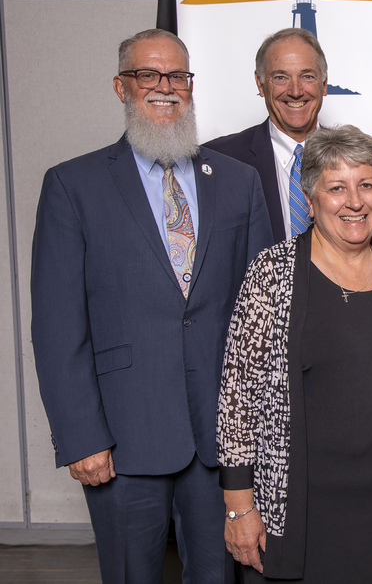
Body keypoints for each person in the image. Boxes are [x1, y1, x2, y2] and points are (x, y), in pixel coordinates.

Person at [30, 28, 273, 583]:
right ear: (121, 86)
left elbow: (262, 313)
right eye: (148, 75)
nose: (165, 88)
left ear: (190, 86)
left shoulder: (237, 183)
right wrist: (81, 436)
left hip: (222, 437)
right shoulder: (73, 185)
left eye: (177, 77)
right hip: (121, 436)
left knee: (218, 575)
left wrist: (259, 425)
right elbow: (57, 325)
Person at [217, 124, 372, 582]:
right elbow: (238, 398)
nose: (354, 201)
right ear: (311, 197)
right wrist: (239, 507)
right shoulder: (272, 272)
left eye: (366, 185)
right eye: (337, 188)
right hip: (304, 506)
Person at [205, 28, 328, 244]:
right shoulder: (219, 160)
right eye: (280, 77)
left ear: (324, 83)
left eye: (307, 76)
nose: (296, 91)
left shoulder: (354, 158)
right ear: (260, 84)